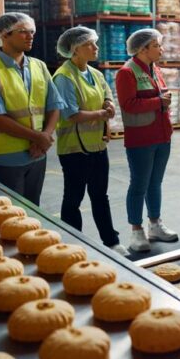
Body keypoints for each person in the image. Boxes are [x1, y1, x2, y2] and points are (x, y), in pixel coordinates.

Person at [0, 12, 65, 205]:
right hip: (6, 158)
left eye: (32, 32)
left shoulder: (39, 66)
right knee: (10, 212)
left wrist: (44, 135)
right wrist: (38, 137)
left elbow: (54, 105)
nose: (30, 36)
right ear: (4, 35)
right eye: (23, 32)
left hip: (37, 153)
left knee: (33, 208)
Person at [51, 26, 126, 255]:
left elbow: (107, 96)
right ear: (75, 50)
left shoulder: (95, 73)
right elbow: (70, 114)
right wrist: (101, 114)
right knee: (73, 198)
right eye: (89, 44)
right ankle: (74, 244)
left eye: (95, 43)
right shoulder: (64, 77)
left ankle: (110, 240)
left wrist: (109, 106)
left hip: (96, 145)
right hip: (74, 149)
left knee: (99, 195)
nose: (95, 48)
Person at [116, 28, 179, 252]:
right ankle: (136, 230)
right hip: (141, 138)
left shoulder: (156, 70)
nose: (161, 49)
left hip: (162, 135)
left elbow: (159, 98)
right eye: (157, 46)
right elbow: (128, 104)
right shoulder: (127, 72)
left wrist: (163, 101)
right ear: (143, 49)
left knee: (155, 183)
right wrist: (158, 101)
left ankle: (155, 224)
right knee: (139, 184)